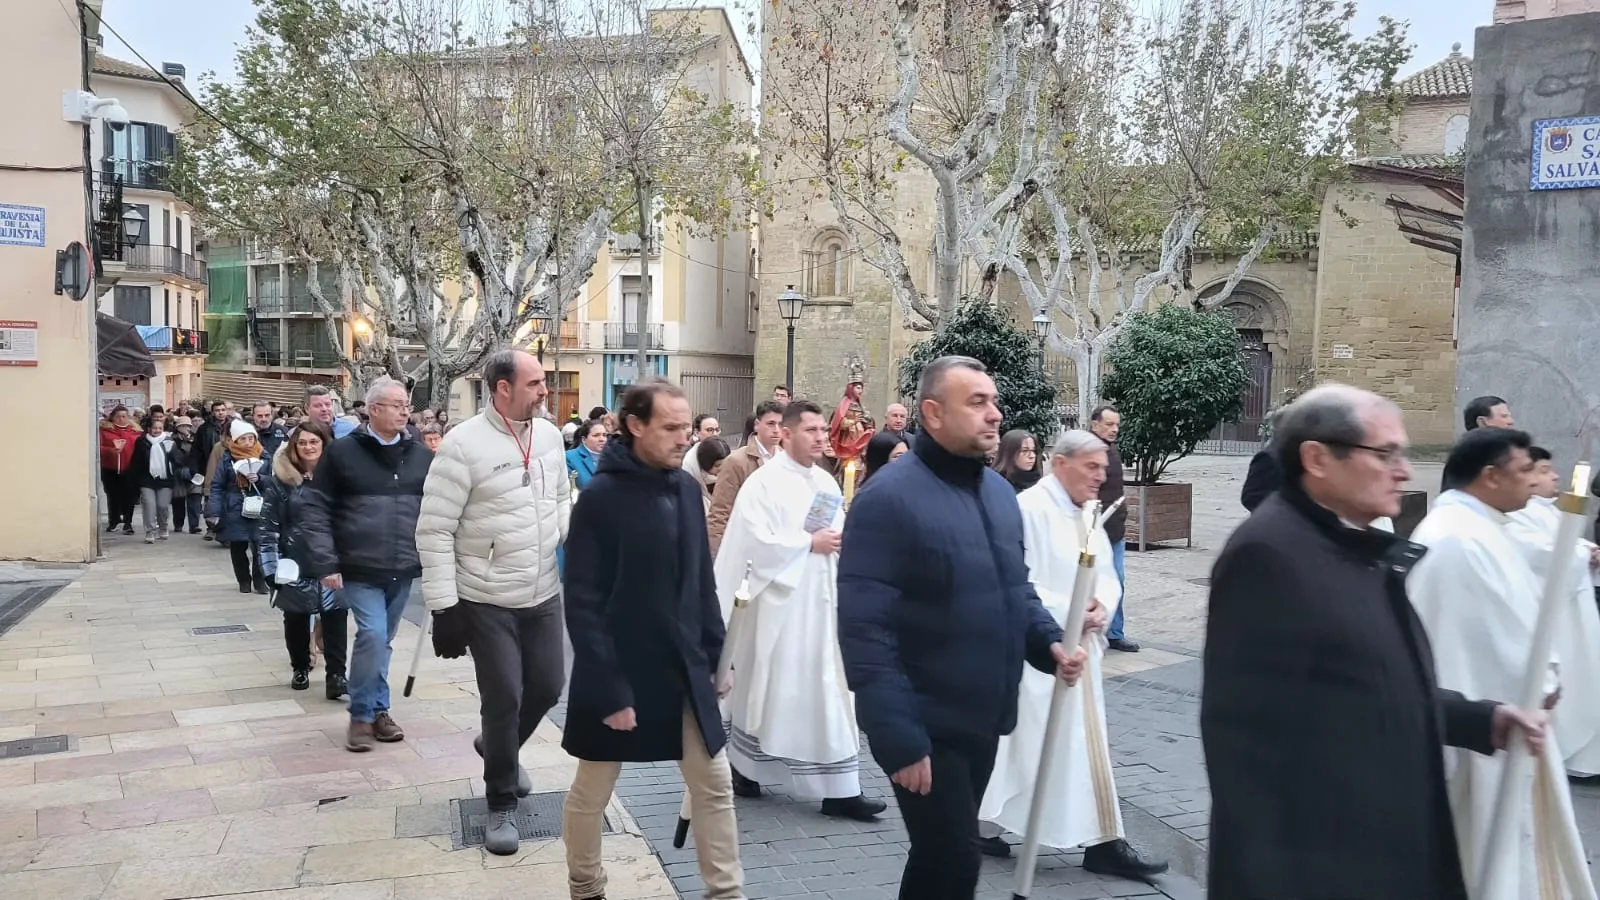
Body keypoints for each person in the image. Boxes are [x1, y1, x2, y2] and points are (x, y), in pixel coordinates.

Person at [1202, 384, 1550, 900]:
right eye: (1385, 453)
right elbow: (1245, 746)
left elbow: (1373, 681)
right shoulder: (1269, 554)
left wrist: (1482, 718)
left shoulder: (1353, 544)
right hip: (1326, 862)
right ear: (1317, 458)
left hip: (1382, 840)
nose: (1405, 470)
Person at [837, 355, 1085, 900]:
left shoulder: (999, 496)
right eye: (977, 402)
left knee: (938, 859)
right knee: (956, 858)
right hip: (924, 722)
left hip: (981, 715)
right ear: (931, 413)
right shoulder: (887, 500)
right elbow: (865, 630)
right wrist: (897, 735)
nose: (995, 414)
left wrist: (1049, 643)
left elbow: (1014, 589)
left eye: (994, 401)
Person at [561, 378, 743, 900]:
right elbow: (584, 604)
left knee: (714, 785)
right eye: (670, 427)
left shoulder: (687, 488)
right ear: (635, 426)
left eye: (687, 426)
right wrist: (609, 691)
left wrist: (719, 654)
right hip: (619, 667)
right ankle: (586, 886)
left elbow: (699, 582)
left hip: (684, 663)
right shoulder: (599, 499)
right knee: (593, 789)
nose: (683, 437)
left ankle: (726, 894)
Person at [1408, 427, 1594, 899]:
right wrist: (1538, 682)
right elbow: (1473, 640)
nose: (1534, 480)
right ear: (1491, 476)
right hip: (1481, 738)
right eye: (1525, 469)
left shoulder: (1484, 525)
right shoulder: (1455, 539)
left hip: (1506, 721)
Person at [977, 430, 1167, 879]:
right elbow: (1016, 581)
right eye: (1092, 467)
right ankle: (983, 823)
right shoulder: (1029, 511)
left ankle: (1103, 840)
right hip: (1041, 653)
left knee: (1080, 748)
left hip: (1080, 650)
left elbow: (1104, 571)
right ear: (1060, 463)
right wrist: (1069, 610)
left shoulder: (1087, 513)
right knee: (1021, 749)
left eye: (1104, 467)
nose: (1102, 476)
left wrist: (1102, 603)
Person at [418, 350, 570, 857]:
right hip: (485, 598)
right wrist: (444, 608)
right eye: (535, 383)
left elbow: (559, 499)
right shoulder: (461, 446)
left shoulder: (549, 436)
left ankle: (496, 747)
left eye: (544, 382)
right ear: (502, 389)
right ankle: (500, 800)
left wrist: (567, 538)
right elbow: (434, 530)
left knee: (548, 686)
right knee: (503, 698)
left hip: (543, 589)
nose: (545, 390)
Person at [715, 399, 886, 821]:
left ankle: (840, 788)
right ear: (785, 434)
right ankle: (745, 768)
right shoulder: (763, 484)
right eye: (811, 431)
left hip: (821, 604)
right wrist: (807, 545)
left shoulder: (826, 484)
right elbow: (754, 543)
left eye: (822, 432)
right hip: (777, 608)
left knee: (830, 691)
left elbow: (832, 535)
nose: (821, 438)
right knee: (764, 692)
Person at [300, 376, 435, 753]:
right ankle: (362, 714)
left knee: (383, 642)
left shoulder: (421, 454)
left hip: (403, 564)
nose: (406, 410)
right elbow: (315, 509)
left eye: (407, 404)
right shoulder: (342, 453)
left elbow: (438, 508)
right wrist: (326, 562)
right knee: (373, 635)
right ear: (374, 409)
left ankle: (379, 709)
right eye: (397, 404)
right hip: (358, 565)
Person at [1506, 445, 1600, 777]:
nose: (1555, 476)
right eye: (1544, 470)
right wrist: (1582, 555)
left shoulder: (1547, 509)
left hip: (1574, 611)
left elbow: (1565, 540)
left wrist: (1585, 549)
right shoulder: (1515, 513)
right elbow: (1536, 553)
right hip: (1554, 620)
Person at [259, 420, 348, 699]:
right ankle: (300, 666)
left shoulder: (339, 478)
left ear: (324, 444)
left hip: (332, 560)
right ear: (295, 447)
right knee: (295, 619)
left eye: (314, 442)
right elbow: (267, 527)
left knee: (336, 618)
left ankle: (337, 675)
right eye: (303, 442)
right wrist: (270, 566)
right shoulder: (280, 481)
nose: (309, 447)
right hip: (294, 561)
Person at [1087, 405, 1137, 653]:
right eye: (1109, 424)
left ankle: (1115, 633)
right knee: (1088, 582)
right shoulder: (1085, 451)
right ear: (1094, 424)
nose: (1114, 429)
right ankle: (1089, 631)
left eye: (1117, 425)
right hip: (1091, 530)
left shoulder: (1112, 451)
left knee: (1117, 580)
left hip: (1115, 531)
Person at [708, 400, 784, 554]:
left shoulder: (786, 459)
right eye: (771, 423)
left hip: (777, 547)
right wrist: (718, 556)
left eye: (780, 424)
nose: (777, 430)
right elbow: (720, 512)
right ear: (757, 424)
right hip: (744, 546)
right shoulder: (736, 461)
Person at [209, 419, 269, 594]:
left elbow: (275, 481)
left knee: (260, 545)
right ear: (235, 440)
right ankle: (243, 579)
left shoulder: (265, 456)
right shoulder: (227, 459)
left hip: (259, 505)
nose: (248, 442)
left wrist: (261, 479)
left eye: (251, 438)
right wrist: (214, 510)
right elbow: (217, 485)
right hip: (234, 506)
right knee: (237, 546)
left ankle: (260, 580)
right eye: (243, 439)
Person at [130, 410, 178, 544]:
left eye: (160, 428)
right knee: (149, 505)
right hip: (146, 479)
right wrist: (135, 478)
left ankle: (163, 527)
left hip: (165, 479)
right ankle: (150, 531)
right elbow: (136, 461)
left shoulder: (169, 442)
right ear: (149, 428)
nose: (157, 430)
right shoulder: (141, 442)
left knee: (162, 506)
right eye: (154, 428)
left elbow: (177, 460)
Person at [99, 405, 141, 534]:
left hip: (130, 469)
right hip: (110, 468)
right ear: (112, 417)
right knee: (113, 496)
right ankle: (114, 521)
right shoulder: (105, 430)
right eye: (118, 416)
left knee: (129, 497)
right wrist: (110, 451)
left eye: (124, 416)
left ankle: (128, 523)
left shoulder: (136, 432)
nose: (121, 419)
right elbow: (97, 447)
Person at [990, 429, 1040, 493]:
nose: (1032, 456)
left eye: (1033, 450)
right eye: (1024, 451)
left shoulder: (1039, 483)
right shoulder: (995, 483)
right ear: (1009, 453)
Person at [566, 420, 606, 490]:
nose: (602, 439)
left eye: (604, 435)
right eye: (596, 435)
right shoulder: (569, 457)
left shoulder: (614, 457)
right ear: (584, 439)